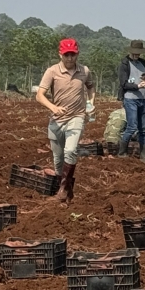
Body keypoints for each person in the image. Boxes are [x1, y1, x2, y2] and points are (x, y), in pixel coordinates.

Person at [36, 38, 95, 202]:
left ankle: (62, 190)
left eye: (73, 55)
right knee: (58, 159)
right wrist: (53, 108)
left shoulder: (84, 71)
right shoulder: (52, 71)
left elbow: (90, 87)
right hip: (57, 120)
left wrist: (90, 103)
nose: (70, 58)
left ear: (78, 54)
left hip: (76, 117)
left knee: (70, 150)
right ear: (60, 54)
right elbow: (39, 95)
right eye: (66, 55)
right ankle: (67, 190)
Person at [117, 39, 145, 163]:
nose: (137, 56)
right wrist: (137, 86)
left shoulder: (143, 63)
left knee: (143, 129)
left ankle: (144, 157)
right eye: (135, 53)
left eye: (139, 54)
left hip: (143, 99)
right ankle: (122, 153)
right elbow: (123, 83)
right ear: (131, 52)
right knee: (132, 126)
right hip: (130, 99)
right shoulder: (124, 64)